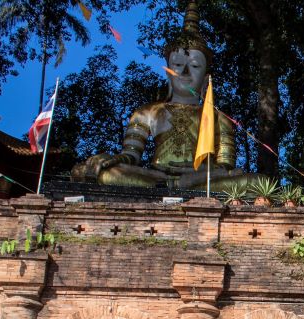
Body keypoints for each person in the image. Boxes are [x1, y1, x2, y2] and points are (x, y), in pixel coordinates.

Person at [71, 2, 248, 190]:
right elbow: (130, 156)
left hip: (201, 179)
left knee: (258, 182)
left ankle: (176, 184)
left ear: (206, 80)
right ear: (168, 73)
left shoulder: (219, 118)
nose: (185, 72)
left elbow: (226, 167)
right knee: (107, 174)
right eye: (178, 65)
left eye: (195, 66)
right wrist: (112, 159)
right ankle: (170, 183)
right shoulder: (147, 112)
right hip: (155, 175)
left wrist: (195, 173)